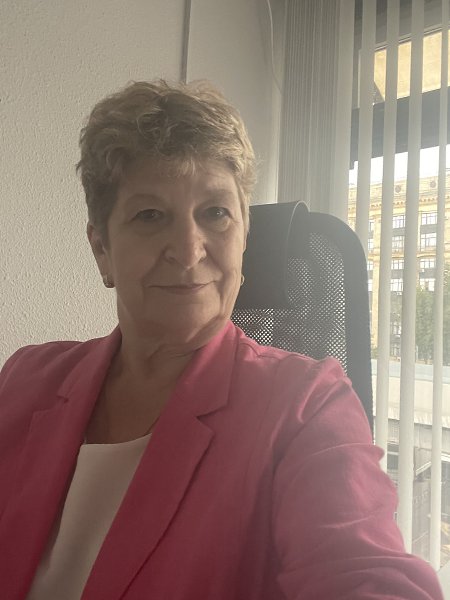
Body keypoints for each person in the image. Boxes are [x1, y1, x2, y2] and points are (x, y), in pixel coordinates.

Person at [0, 80, 444, 600]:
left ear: (244, 235)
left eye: (215, 212)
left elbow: (363, 573)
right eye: (150, 216)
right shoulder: (27, 377)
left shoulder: (307, 406)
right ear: (102, 249)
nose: (189, 250)